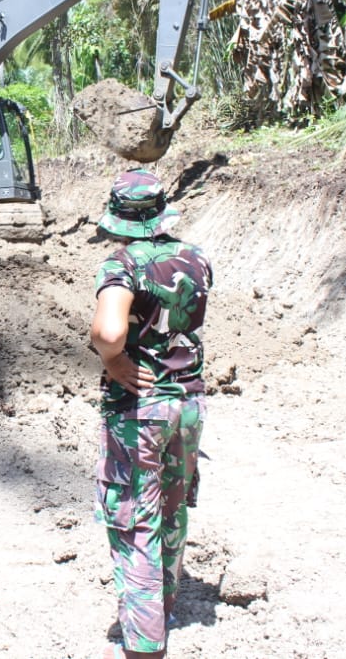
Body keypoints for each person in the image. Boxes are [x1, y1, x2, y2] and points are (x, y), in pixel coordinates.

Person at [88, 168, 213, 659]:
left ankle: (144, 641)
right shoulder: (196, 258)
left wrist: (113, 360)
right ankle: (164, 603)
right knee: (172, 508)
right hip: (189, 401)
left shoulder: (121, 265)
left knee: (135, 518)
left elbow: (109, 332)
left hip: (142, 409)